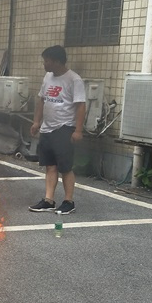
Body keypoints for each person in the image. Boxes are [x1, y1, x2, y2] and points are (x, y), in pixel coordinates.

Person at [28, 45, 86, 215]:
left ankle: (69, 201)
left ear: (57, 61)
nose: (44, 64)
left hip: (64, 127)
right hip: (47, 128)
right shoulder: (47, 77)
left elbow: (81, 106)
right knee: (50, 166)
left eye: (47, 61)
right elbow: (42, 100)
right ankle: (49, 200)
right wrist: (37, 121)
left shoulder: (74, 79)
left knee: (65, 167)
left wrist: (78, 130)